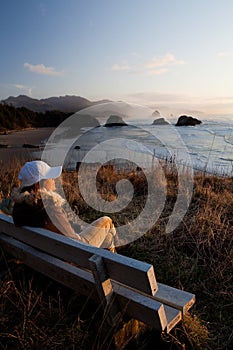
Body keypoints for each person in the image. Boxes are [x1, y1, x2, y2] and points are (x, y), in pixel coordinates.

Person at [11, 160, 117, 251]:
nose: (53, 180)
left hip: (47, 253)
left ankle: (110, 258)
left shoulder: (20, 207)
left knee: (104, 233)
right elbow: (73, 241)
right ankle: (112, 264)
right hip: (75, 254)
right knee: (106, 221)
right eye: (50, 178)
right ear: (38, 184)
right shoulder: (48, 207)